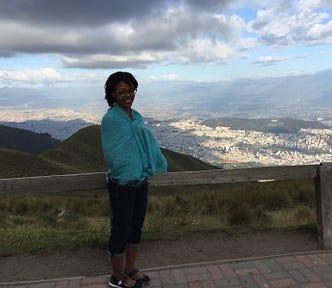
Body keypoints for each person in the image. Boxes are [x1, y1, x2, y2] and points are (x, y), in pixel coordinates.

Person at [101, 71, 167, 288]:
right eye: (122, 91)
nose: (128, 95)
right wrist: (127, 173)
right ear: (113, 93)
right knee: (121, 229)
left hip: (140, 181)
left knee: (136, 227)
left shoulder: (135, 116)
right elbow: (114, 153)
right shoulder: (111, 119)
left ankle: (130, 269)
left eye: (131, 90)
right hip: (122, 184)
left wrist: (142, 171)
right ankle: (117, 277)